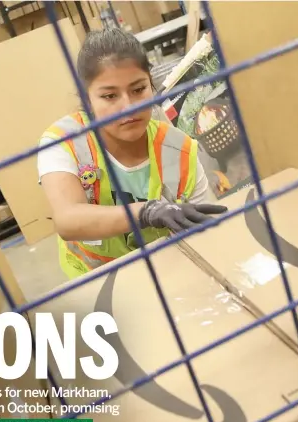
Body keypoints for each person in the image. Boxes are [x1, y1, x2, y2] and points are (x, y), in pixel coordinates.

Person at [37, 29, 228, 280]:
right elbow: (67, 220)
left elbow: (208, 228)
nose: (128, 106)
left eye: (138, 89)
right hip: (96, 279)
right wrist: (146, 212)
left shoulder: (179, 149)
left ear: (151, 84)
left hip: (166, 271)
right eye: (109, 96)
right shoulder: (63, 141)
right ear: (87, 99)